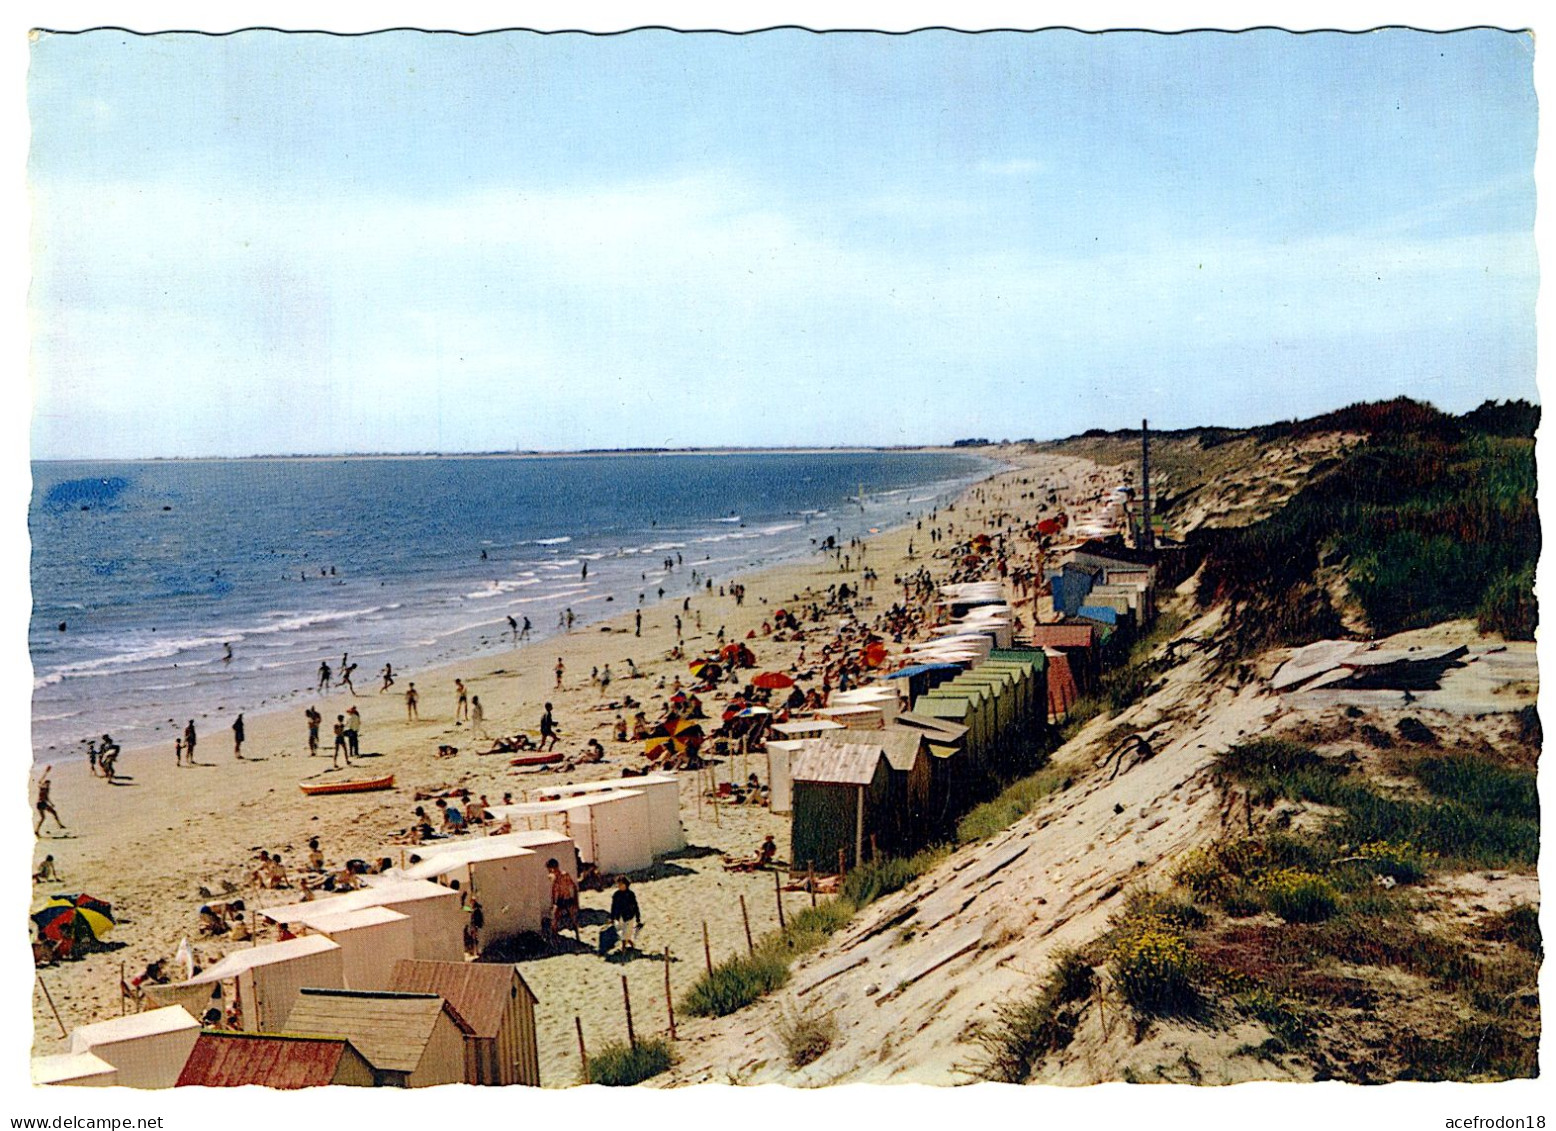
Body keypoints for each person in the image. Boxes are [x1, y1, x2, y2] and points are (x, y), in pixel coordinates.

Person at [546, 858, 580, 939]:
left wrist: (575, 900)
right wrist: (554, 903)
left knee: (573, 918)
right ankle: (554, 937)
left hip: (567, 899)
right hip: (560, 900)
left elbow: (573, 886)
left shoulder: (565, 875)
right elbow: (554, 891)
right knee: (554, 918)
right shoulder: (554, 878)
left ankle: (577, 936)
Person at [609, 877, 643, 953]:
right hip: (619, 917)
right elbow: (613, 907)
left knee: (626, 933)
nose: (619, 885)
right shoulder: (616, 895)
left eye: (621, 884)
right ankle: (630, 943)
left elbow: (635, 906)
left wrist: (638, 917)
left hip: (629, 916)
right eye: (618, 884)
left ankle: (623, 949)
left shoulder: (630, 894)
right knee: (622, 933)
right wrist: (612, 917)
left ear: (625, 884)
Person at [34, 767, 64, 835]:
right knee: (47, 816)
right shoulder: (43, 788)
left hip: (42, 803)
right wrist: (46, 772)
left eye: (48, 784)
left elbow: (47, 798)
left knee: (45, 816)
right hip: (41, 803)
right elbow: (40, 781)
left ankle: (36, 830)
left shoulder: (47, 789)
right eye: (47, 784)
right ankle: (60, 825)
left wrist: (51, 803)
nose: (48, 785)